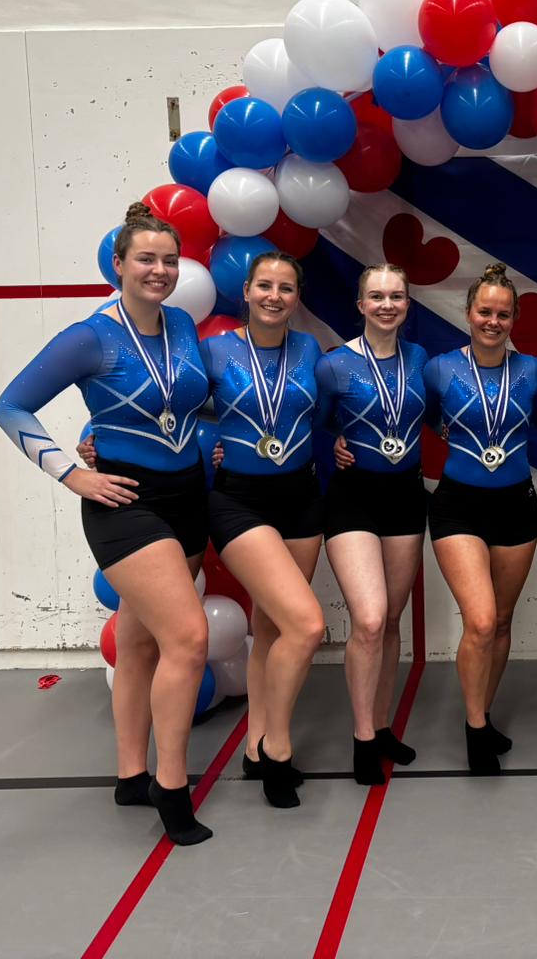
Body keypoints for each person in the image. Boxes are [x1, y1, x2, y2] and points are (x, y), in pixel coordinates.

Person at [0, 202, 214, 845]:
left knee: (141, 643)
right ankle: (171, 786)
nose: (159, 270)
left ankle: (129, 775)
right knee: (189, 640)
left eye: (169, 260)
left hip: (187, 497)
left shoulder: (181, 324)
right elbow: (11, 407)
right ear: (118, 265)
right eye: (145, 259)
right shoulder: (88, 337)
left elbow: (178, 403)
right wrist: (72, 473)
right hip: (126, 503)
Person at [198, 252, 326, 809]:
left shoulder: (310, 350)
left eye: (286, 288)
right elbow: (173, 405)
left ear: (297, 297)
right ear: (246, 291)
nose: (275, 296)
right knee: (307, 624)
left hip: (301, 498)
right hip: (239, 502)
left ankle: (254, 743)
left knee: (271, 625)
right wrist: (98, 442)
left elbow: (324, 412)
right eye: (265, 286)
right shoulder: (215, 350)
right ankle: (278, 746)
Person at [424, 263, 537, 775]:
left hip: (517, 503)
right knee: (478, 620)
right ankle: (475, 730)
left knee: (500, 621)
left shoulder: (533, 370)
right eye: (484, 312)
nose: (493, 321)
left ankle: (484, 713)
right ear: (468, 312)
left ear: (514, 319)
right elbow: (415, 415)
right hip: (458, 504)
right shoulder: (439, 369)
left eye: (503, 314)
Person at [318, 263, 428, 785]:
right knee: (368, 619)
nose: (387, 305)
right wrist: (333, 442)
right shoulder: (334, 365)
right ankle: (363, 738)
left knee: (390, 621)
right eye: (377, 296)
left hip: (405, 496)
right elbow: (307, 422)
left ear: (407, 304)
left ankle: (382, 726)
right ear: (360, 304)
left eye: (396, 296)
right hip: (353, 498)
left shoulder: (420, 360)